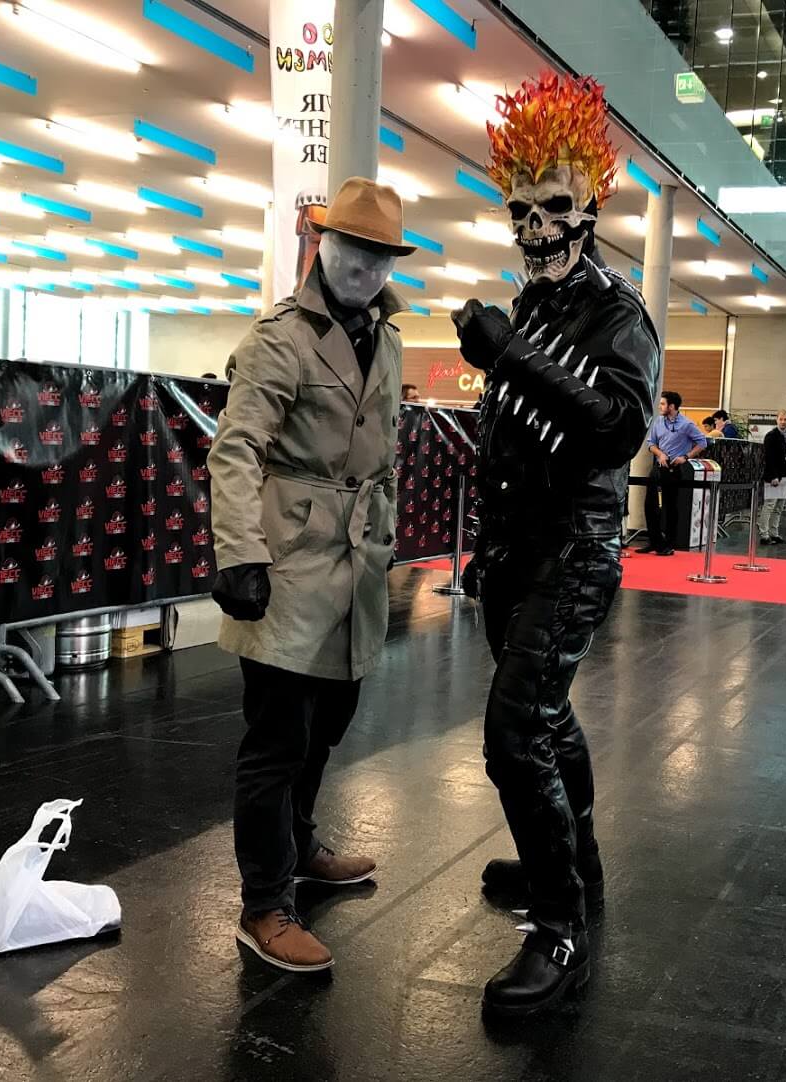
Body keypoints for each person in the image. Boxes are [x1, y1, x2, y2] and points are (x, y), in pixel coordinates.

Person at [452, 72, 661, 1016]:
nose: (535, 228)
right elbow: (512, 433)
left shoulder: (618, 313)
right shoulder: (535, 306)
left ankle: (560, 924)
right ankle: (571, 860)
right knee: (546, 717)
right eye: (519, 209)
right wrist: (487, 544)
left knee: (514, 734)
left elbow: (615, 428)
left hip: (574, 552)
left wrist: (508, 353)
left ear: (590, 207)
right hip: (515, 550)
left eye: (554, 207)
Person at [207, 177, 415, 973]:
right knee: (277, 738)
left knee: (328, 725)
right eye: (354, 249)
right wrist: (239, 552)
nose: (366, 267)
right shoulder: (279, 338)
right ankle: (263, 903)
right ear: (323, 245)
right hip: (288, 561)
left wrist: (386, 533)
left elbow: (384, 452)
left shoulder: (388, 340)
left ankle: (297, 847)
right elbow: (235, 451)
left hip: (357, 566)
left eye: (381, 255)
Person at [639, 390, 707, 555]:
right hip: (658, 467)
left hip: (674, 469)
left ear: (672, 406)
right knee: (650, 505)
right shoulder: (658, 422)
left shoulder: (687, 424)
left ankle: (669, 544)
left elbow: (702, 442)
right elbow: (651, 443)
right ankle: (654, 541)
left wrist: (686, 457)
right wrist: (660, 453)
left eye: (663, 404)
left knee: (670, 507)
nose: (660, 406)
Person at [758, 409, 786, 544]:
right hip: (774, 477)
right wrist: (773, 476)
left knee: (779, 507)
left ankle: (774, 533)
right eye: (781, 419)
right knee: (769, 505)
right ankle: (764, 534)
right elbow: (769, 458)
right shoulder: (771, 436)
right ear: (777, 420)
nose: (783, 422)